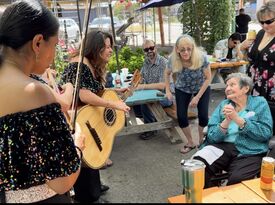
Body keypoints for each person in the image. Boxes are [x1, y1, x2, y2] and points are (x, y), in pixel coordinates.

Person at [0, 0, 85, 203]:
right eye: (55, 45)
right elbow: (62, 181)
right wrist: (78, 145)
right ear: (38, 42)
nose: (54, 55)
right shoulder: (34, 92)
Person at [60, 30, 130, 203]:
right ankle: (89, 196)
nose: (110, 50)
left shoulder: (89, 64)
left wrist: (114, 92)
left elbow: (94, 91)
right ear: (94, 48)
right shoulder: (79, 64)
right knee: (85, 158)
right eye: (106, 47)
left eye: (110, 46)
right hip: (76, 120)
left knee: (91, 155)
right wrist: (114, 104)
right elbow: (84, 95)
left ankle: (95, 189)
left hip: (86, 118)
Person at [193, 73, 273, 188]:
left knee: (237, 181)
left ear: (245, 88)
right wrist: (226, 121)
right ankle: (206, 197)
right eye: (226, 86)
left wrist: (238, 119)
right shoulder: (224, 104)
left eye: (232, 85)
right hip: (222, 147)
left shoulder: (260, 103)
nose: (227, 89)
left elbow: (265, 133)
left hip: (250, 151)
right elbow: (212, 136)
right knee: (196, 166)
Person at [165, 34, 211, 154]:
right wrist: (168, 90)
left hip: (201, 87)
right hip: (182, 88)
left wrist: (197, 97)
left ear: (193, 48)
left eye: (189, 49)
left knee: (203, 116)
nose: (185, 52)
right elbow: (167, 73)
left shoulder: (202, 58)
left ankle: (201, 141)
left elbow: (208, 78)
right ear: (177, 49)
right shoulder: (173, 59)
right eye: (182, 49)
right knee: (181, 116)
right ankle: (190, 142)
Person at [241, 0, 275, 135]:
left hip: (271, 89)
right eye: (261, 22)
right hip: (254, 85)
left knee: (270, 125)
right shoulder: (260, 34)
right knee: (254, 122)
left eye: (269, 22)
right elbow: (249, 59)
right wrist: (242, 48)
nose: (264, 25)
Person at [134, 39, 177, 140]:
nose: (149, 51)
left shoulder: (164, 63)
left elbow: (163, 85)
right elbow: (142, 77)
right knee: (135, 103)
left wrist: (143, 86)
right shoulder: (146, 62)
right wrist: (137, 82)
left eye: (151, 48)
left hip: (167, 96)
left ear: (155, 48)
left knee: (145, 103)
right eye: (146, 49)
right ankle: (151, 122)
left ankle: (152, 129)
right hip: (152, 94)